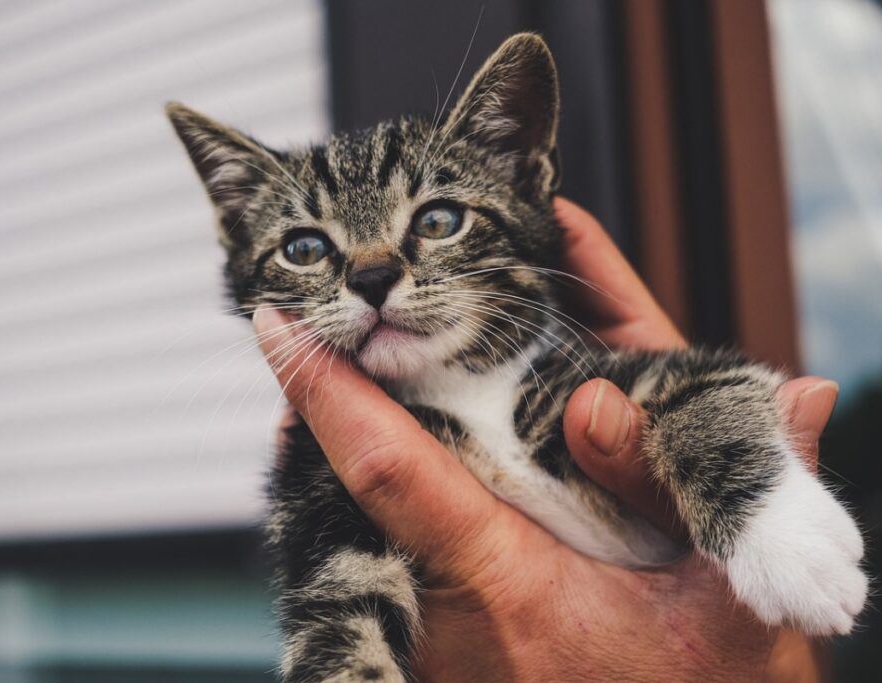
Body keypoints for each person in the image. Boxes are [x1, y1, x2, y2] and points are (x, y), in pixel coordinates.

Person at [253, 198, 838, 681]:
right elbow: (335, 629)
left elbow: (716, 388)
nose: (373, 273)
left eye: (434, 222)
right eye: (308, 249)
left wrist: (746, 496)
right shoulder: (329, 465)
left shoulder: (564, 386)